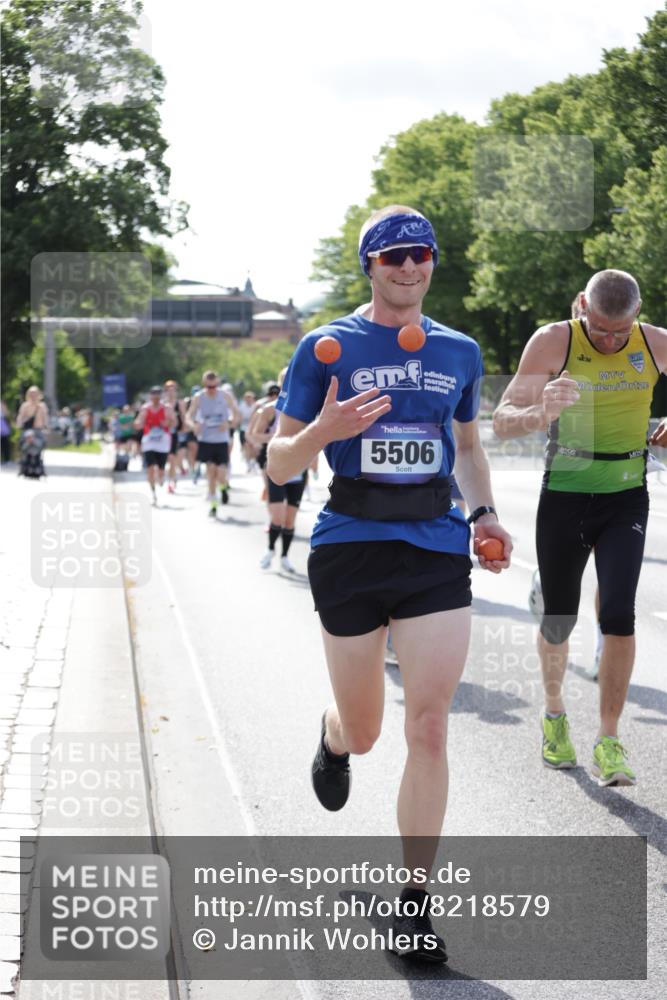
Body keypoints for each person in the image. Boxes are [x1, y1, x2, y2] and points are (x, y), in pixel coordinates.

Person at [267, 204, 511, 963]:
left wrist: (484, 514)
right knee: (367, 731)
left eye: (421, 253)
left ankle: (415, 904)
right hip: (350, 546)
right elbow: (278, 461)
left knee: (429, 726)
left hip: (434, 547)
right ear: (370, 266)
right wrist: (322, 434)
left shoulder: (459, 351)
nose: (409, 266)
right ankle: (334, 733)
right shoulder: (326, 346)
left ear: (432, 261)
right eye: (393, 255)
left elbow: (467, 446)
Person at [493, 269, 667, 787]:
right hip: (566, 495)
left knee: (619, 615)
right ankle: (554, 716)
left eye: (621, 332)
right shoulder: (554, 341)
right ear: (582, 308)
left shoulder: (655, 343)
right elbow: (502, 420)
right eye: (600, 330)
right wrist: (539, 411)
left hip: (626, 496)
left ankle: (609, 739)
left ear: (637, 314)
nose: (610, 341)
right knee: (560, 619)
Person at [255, 370, 307, 574]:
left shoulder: (306, 408)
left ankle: (284, 556)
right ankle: (270, 550)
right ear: (280, 383)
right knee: (277, 517)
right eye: (286, 380)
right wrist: (279, 440)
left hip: (298, 469)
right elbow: (256, 435)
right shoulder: (269, 409)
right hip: (276, 467)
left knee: (289, 520)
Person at [186, 370, 239, 518]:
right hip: (206, 440)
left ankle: (223, 487)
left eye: (214, 386)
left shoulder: (225, 396)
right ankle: (214, 505)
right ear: (204, 384)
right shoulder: (199, 397)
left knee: (221, 473)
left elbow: (236, 414)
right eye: (209, 387)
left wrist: (229, 423)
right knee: (210, 472)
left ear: (218, 384)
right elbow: (188, 416)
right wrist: (194, 425)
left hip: (221, 440)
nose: (212, 390)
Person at [135, 386, 174, 505]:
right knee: (150, 469)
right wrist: (138, 424)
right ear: (150, 396)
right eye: (153, 394)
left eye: (157, 394)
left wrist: (168, 422)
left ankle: (161, 476)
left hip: (163, 442)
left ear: (161, 396)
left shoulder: (167, 408)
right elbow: (138, 422)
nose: (155, 397)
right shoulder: (145, 408)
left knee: (161, 469)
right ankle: (153, 494)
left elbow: (174, 422)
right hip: (149, 442)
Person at [163, 380, 188, 493]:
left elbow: (184, 417)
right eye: (169, 390)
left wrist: (185, 429)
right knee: (170, 459)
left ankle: (173, 479)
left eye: (173, 390)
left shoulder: (180, 403)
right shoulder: (163, 404)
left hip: (178, 434)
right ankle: (171, 481)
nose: (171, 393)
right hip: (166, 434)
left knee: (176, 458)